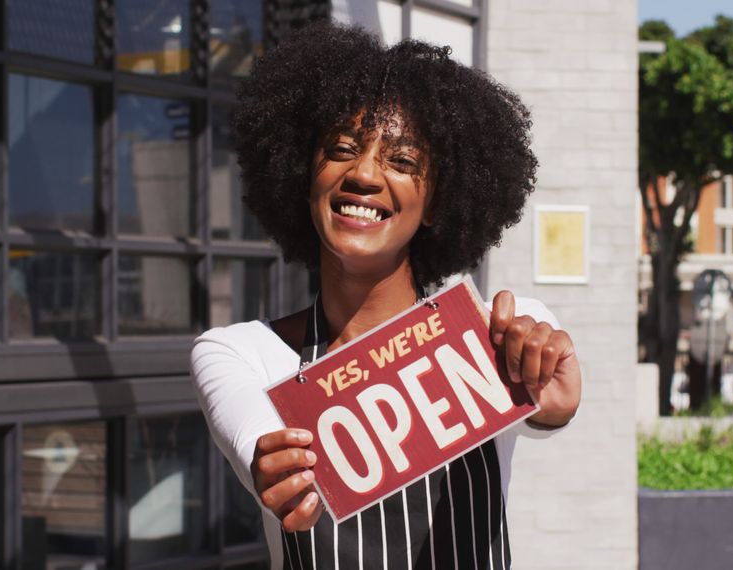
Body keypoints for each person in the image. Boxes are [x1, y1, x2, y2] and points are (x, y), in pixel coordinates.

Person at [191, 22, 582, 570]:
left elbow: (542, 397)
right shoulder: (242, 354)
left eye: (401, 161)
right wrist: (274, 471)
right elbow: (258, 444)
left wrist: (550, 402)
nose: (365, 174)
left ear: (438, 203)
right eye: (342, 149)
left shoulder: (494, 332)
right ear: (304, 179)